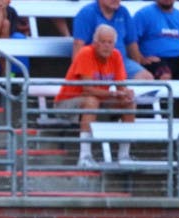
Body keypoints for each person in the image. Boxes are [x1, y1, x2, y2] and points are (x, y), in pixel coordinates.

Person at [54, 24, 135, 168]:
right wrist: (113, 93)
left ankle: (124, 155)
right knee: (92, 101)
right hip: (67, 103)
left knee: (129, 102)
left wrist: (126, 93)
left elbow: (121, 86)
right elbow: (87, 89)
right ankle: (84, 157)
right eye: (103, 42)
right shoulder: (86, 53)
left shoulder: (116, 55)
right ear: (95, 43)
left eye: (110, 42)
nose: (106, 46)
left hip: (98, 101)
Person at [72, 0, 154, 81]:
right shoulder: (87, 13)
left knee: (146, 78)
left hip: (121, 61)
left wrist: (138, 66)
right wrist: (77, 73)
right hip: (95, 61)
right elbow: (78, 45)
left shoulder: (123, 12)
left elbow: (131, 43)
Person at [134, 0, 179, 80]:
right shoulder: (143, 14)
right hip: (156, 60)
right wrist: (140, 58)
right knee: (165, 75)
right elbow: (131, 41)